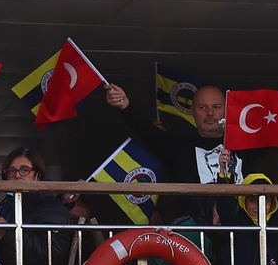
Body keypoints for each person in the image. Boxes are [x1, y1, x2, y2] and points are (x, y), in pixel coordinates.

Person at [104, 83, 256, 224]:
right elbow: (148, 132)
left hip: (242, 232)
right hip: (194, 235)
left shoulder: (245, 145)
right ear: (192, 111)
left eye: (216, 107)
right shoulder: (180, 148)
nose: (210, 113)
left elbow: (270, 131)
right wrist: (126, 105)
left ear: (226, 110)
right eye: (202, 107)